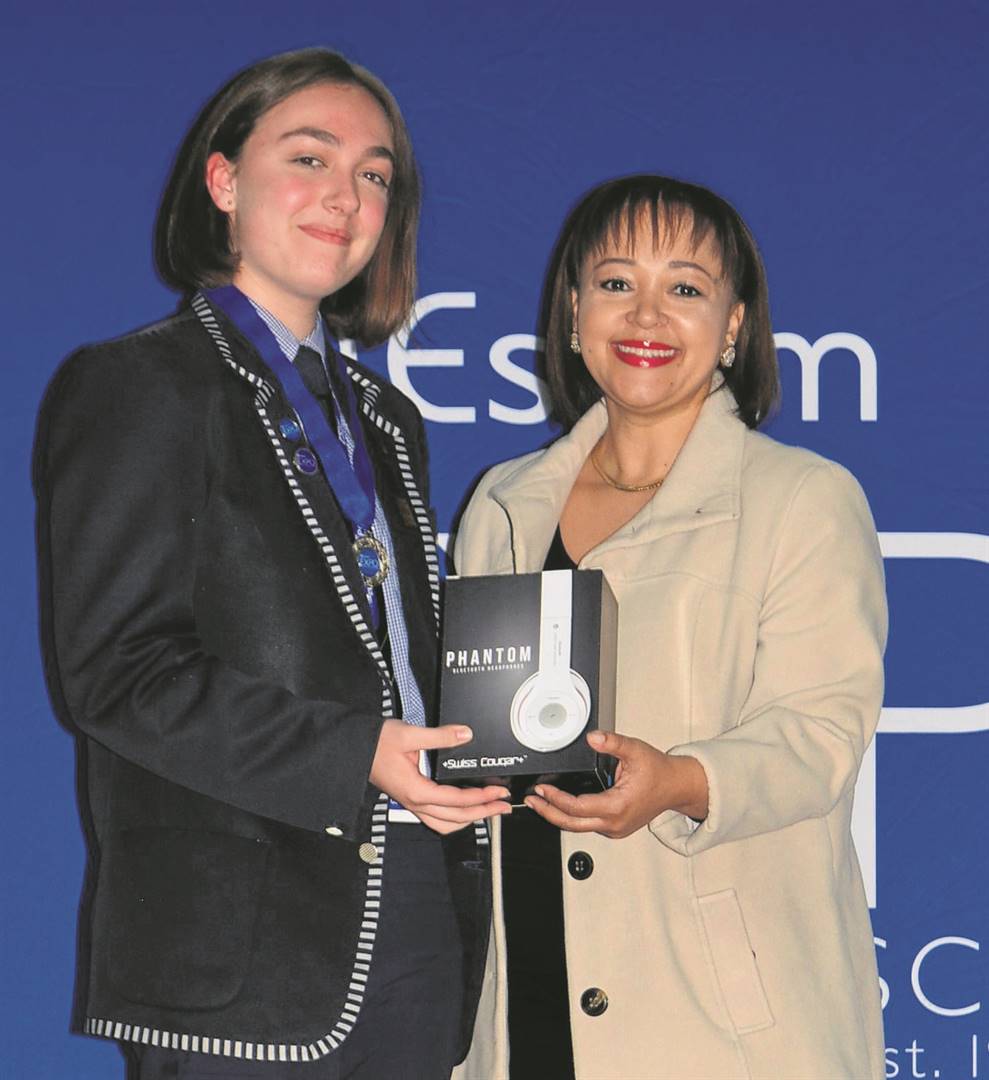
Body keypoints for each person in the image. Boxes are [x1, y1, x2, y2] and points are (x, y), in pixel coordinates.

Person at [34, 47, 510, 1080]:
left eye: (374, 174)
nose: (345, 195)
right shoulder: (139, 386)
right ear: (223, 181)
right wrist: (357, 752)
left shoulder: (388, 420)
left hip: (420, 906)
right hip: (240, 946)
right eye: (309, 157)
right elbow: (117, 675)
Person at [452, 175, 887, 1080]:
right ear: (574, 310)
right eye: (616, 282)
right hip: (522, 1001)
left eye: (684, 287)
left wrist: (681, 781)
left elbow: (819, 735)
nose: (645, 314)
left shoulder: (801, 498)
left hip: (716, 1021)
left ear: (733, 325)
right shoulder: (501, 504)